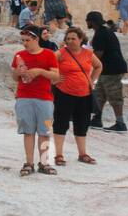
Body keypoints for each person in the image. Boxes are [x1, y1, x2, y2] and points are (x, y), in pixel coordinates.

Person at [12, 25, 61, 176]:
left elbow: (56, 77)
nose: (24, 43)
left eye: (27, 40)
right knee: (28, 131)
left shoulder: (48, 54)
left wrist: (39, 71)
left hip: (44, 98)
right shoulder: (19, 55)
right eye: (23, 40)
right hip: (24, 97)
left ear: (36, 39)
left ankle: (45, 162)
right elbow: (14, 78)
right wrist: (17, 72)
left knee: (45, 132)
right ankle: (29, 162)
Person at [52, 28, 101, 166]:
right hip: (64, 93)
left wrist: (92, 81)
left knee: (82, 124)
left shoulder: (88, 53)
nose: (70, 41)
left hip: (84, 94)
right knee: (61, 123)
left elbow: (98, 66)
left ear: (81, 40)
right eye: (68, 38)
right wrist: (54, 79)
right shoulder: (61, 53)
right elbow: (48, 64)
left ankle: (82, 153)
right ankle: (59, 154)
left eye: (73, 38)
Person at [85, 11, 128, 132]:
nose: (87, 23)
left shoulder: (101, 34)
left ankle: (120, 123)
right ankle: (97, 119)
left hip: (112, 69)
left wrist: (85, 64)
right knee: (99, 94)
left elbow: (98, 54)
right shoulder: (102, 31)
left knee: (114, 95)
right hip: (107, 69)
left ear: (92, 22)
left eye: (87, 21)